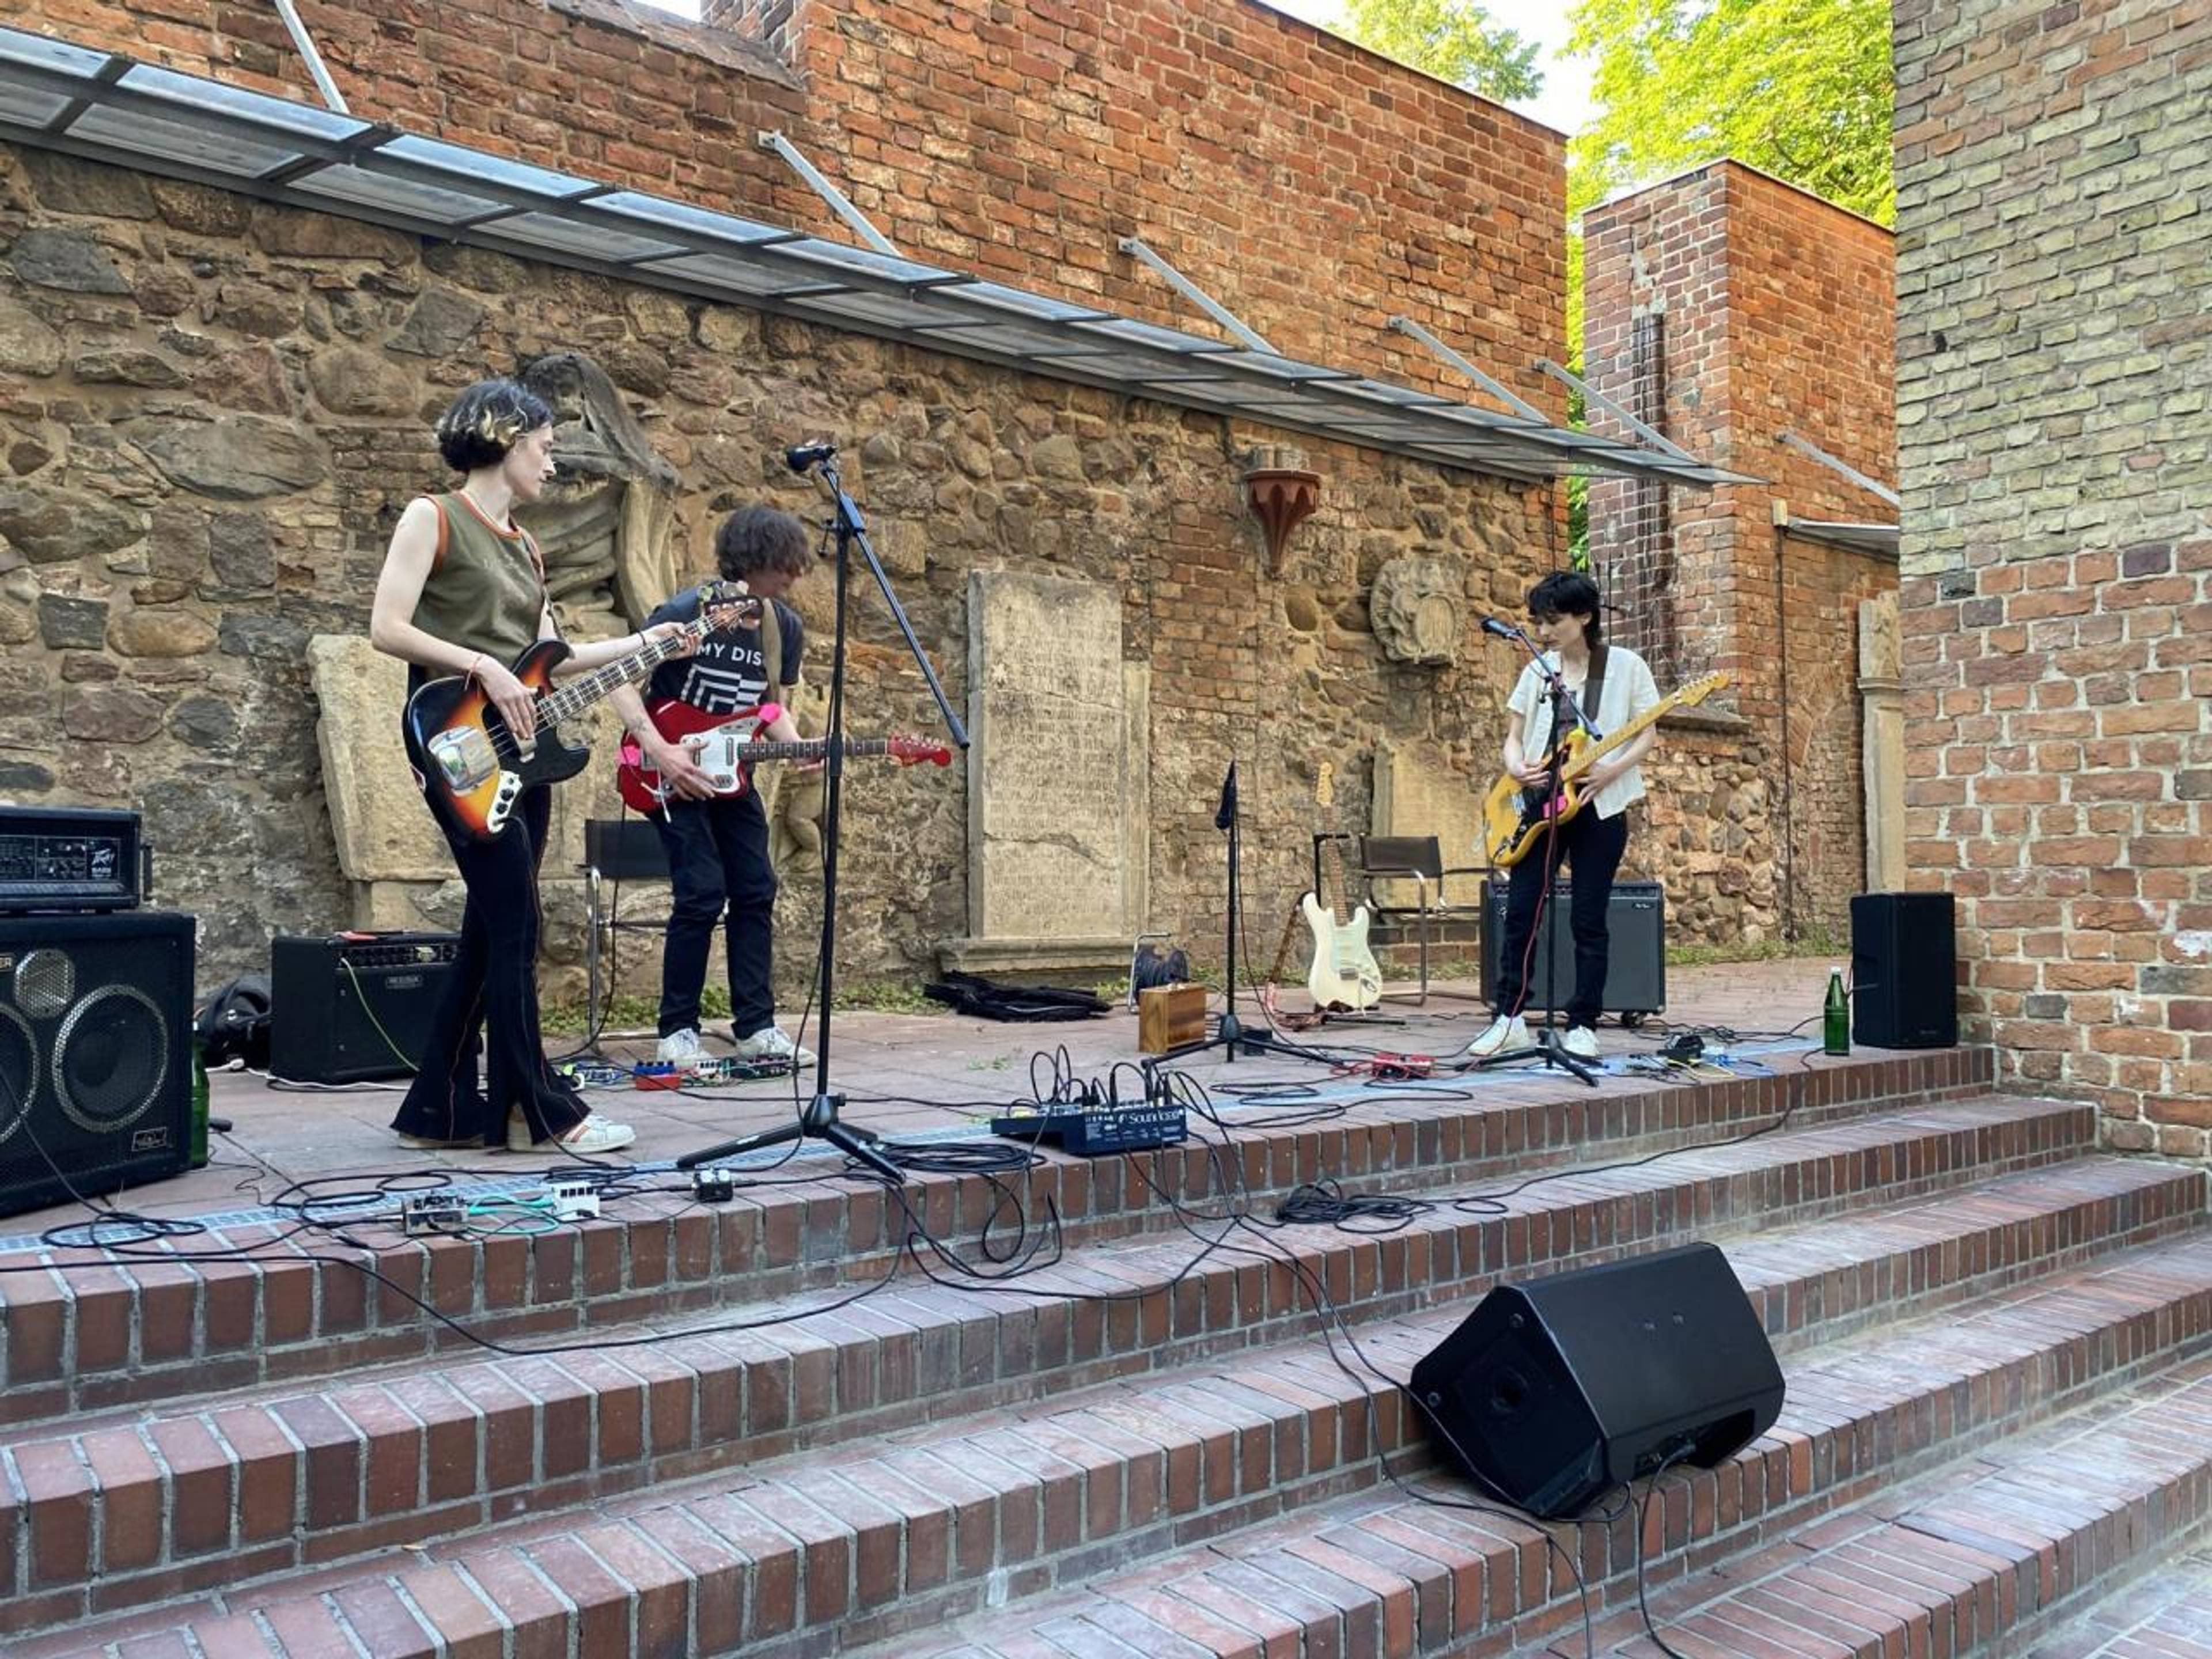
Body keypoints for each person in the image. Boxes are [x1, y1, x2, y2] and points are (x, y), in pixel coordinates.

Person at [370, 377, 694, 1153]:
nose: (551, 466)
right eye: (545, 450)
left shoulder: (526, 547)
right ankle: (538, 1111)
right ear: (505, 439)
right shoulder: (434, 516)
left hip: (523, 757)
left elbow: (563, 661)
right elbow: (386, 626)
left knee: (494, 927)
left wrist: (653, 646)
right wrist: (484, 665)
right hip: (457, 745)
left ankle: (437, 1110)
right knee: (517, 925)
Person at [608, 505, 817, 1070]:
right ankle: (677, 1032)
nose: (795, 576)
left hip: (734, 775)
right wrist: (663, 753)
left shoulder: (783, 628)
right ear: (756, 559)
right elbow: (620, 684)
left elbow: (771, 705)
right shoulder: (685, 612)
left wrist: (796, 745)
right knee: (701, 893)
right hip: (670, 774)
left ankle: (756, 1028)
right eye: (787, 564)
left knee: (756, 888)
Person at [1464, 570, 1660, 1063]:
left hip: (1600, 805)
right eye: (1539, 621)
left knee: (1590, 917)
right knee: (1522, 912)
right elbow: (1514, 733)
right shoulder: (1538, 672)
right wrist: (1514, 764)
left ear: (1585, 618)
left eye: (1553, 621)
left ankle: (1583, 1023)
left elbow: (1647, 732)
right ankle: (1509, 1018)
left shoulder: (1625, 667)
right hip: (1536, 806)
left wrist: (1612, 769)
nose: (1544, 631)